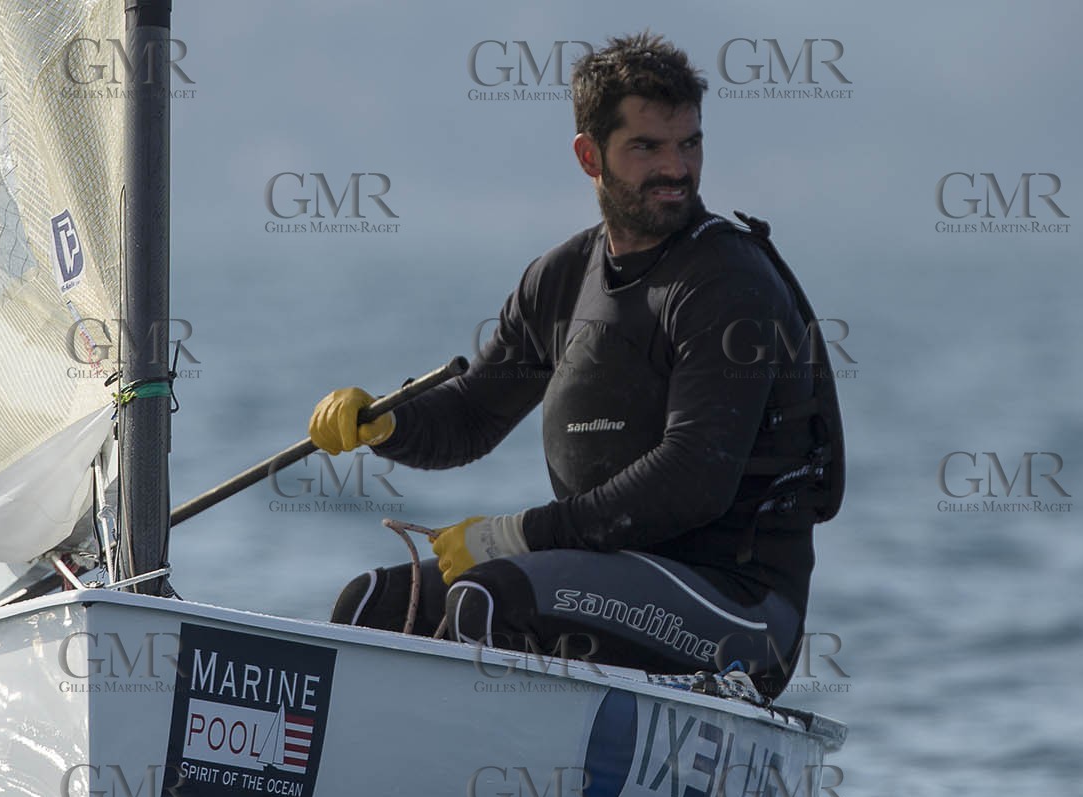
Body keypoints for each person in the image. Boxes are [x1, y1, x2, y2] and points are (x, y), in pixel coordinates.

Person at [307, 32, 844, 698]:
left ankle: (505, 788)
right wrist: (385, 424)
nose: (677, 169)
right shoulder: (561, 279)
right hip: (610, 577)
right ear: (590, 155)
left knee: (489, 596)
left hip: (741, 610)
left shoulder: (727, 283)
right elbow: (473, 414)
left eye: (690, 144)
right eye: (647, 147)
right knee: (372, 606)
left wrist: (517, 535)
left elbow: (694, 478)